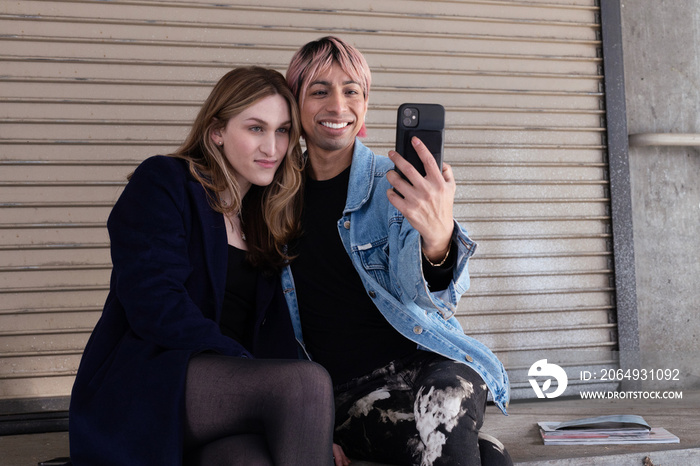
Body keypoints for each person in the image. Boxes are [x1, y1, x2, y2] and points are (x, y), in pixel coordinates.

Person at [69, 66, 335, 466]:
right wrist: (263, 382)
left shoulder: (264, 218)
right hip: (155, 383)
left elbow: (275, 334)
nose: (273, 148)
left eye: (282, 131)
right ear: (217, 132)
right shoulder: (164, 182)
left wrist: (310, 423)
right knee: (307, 384)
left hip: (226, 401)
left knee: (250, 460)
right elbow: (155, 304)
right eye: (256, 128)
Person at [283, 36, 512, 466]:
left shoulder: (395, 182)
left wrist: (438, 239)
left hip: (431, 361)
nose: (337, 105)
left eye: (352, 91)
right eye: (319, 91)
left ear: (365, 106)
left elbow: (423, 295)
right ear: (295, 104)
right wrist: (301, 424)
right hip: (352, 395)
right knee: (487, 458)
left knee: (445, 404)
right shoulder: (274, 198)